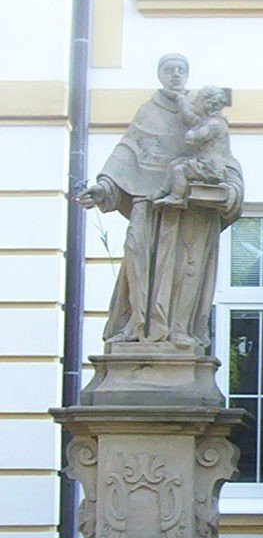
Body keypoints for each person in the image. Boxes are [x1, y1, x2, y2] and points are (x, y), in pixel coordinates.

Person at [78, 54, 244, 349]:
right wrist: (104, 188)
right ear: (159, 75)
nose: (176, 74)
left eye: (181, 69)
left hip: (189, 210)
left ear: (188, 74)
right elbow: (126, 153)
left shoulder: (200, 113)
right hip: (148, 203)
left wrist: (232, 189)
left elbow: (223, 157)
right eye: (169, 69)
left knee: (185, 270)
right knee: (136, 256)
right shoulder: (148, 112)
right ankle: (136, 325)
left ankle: (179, 331)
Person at [153, 85, 232, 207]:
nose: (194, 102)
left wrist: (191, 133)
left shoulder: (214, 124)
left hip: (211, 168)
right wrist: (180, 99)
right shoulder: (207, 121)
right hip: (203, 163)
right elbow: (189, 118)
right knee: (175, 163)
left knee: (180, 169)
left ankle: (177, 197)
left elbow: (193, 138)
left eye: (197, 99)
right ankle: (163, 191)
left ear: (208, 104)